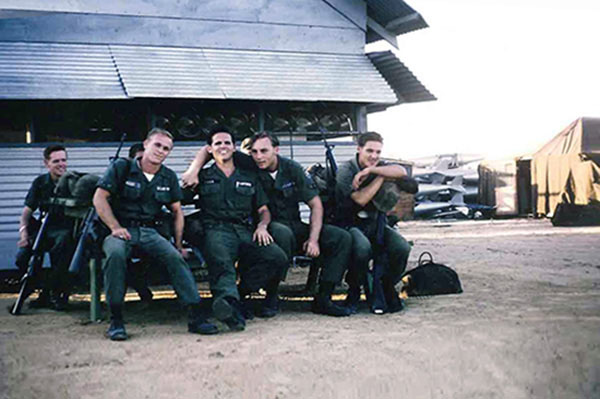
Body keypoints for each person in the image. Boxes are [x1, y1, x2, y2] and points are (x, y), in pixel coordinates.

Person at [182, 132, 352, 317]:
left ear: (276, 150)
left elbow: (315, 204)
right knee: (280, 233)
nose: (259, 156)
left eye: (264, 151)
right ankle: (271, 295)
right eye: (254, 151)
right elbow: (213, 150)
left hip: (294, 223)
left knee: (340, 237)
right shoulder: (249, 163)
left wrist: (313, 239)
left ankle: (324, 298)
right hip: (263, 227)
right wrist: (193, 170)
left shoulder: (291, 168)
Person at [93, 128, 218, 341]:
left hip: (150, 231)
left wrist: (178, 244)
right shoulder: (121, 168)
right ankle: (116, 319)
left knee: (175, 258)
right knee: (115, 255)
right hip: (121, 230)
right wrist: (114, 227)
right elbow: (99, 198)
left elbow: (177, 211)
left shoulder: (167, 176)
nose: (161, 151)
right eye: (157, 145)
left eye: (166, 148)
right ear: (145, 144)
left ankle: (196, 315)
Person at [182, 126, 287, 331]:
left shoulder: (249, 175)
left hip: (245, 229)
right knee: (222, 263)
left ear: (234, 147)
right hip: (215, 229)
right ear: (210, 149)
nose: (223, 146)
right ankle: (228, 308)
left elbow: (263, 208)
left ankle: (238, 295)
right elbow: (178, 201)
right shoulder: (203, 175)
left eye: (227, 142)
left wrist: (263, 226)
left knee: (276, 257)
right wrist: (191, 175)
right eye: (218, 143)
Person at [335, 132, 411, 314]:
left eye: (378, 152)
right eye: (369, 151)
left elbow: (402, 171)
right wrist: (381, 177)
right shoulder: (346, 170)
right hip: (348, 224)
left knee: (402, 247)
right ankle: (354, 290)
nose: (374, 156)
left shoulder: (377, 167)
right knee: (362, 248)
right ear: (359, 149)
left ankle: (386, 285)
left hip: (375, 224)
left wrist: (372, 171)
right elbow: (360, 199)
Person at [16, 145, 76, 310]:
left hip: (65, 231)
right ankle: (40, 288)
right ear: (46, 163)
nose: (61, 164)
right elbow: (26, 214)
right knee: (22, 258)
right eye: (56, 161)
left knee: (61, 253)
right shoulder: (40, 183)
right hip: (43, 229)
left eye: (64, 160)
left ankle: (54, 294)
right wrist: (23, 235)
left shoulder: (74, 182)